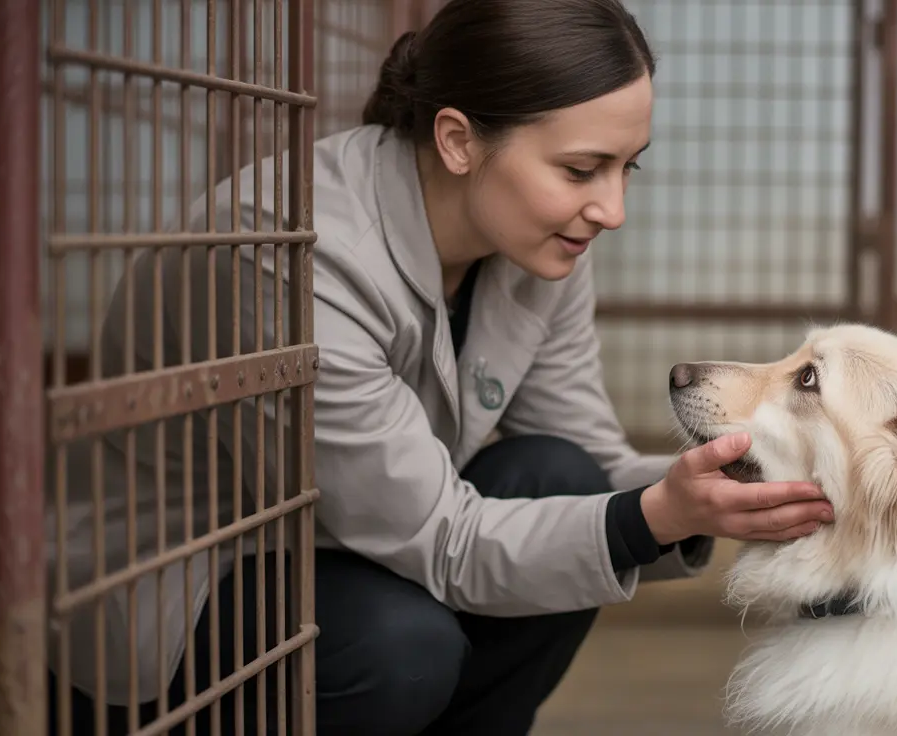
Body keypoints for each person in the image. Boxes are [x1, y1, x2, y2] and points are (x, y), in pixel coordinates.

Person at [46, 0, 835, 734]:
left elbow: (591, 461)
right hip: (190, 588)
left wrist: (743, 485)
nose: (612, 209)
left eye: (629, 167)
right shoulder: (291, 252)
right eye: (581, 168)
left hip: (357, 541)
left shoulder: (542, 239)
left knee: (566, 476)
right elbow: (440, 536)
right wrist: (660, 513)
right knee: (404, 648)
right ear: (458, 140)